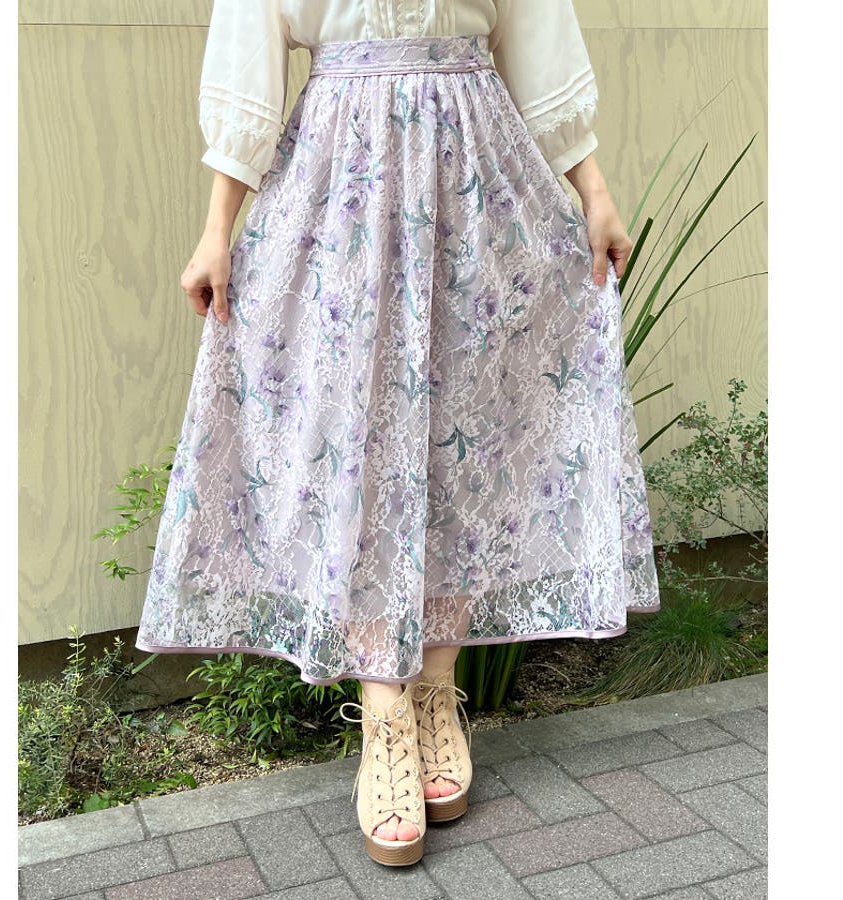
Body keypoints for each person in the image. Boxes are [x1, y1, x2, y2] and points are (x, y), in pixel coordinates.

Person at [135, 0, 661, 867]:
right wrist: (216, 230)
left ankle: (435, 694)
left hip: (478, 178)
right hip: (340, 177)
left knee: (466, 436)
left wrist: (594, 193)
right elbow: (248, 57)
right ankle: (384, 715)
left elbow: (537, 37)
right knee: (358, 448)